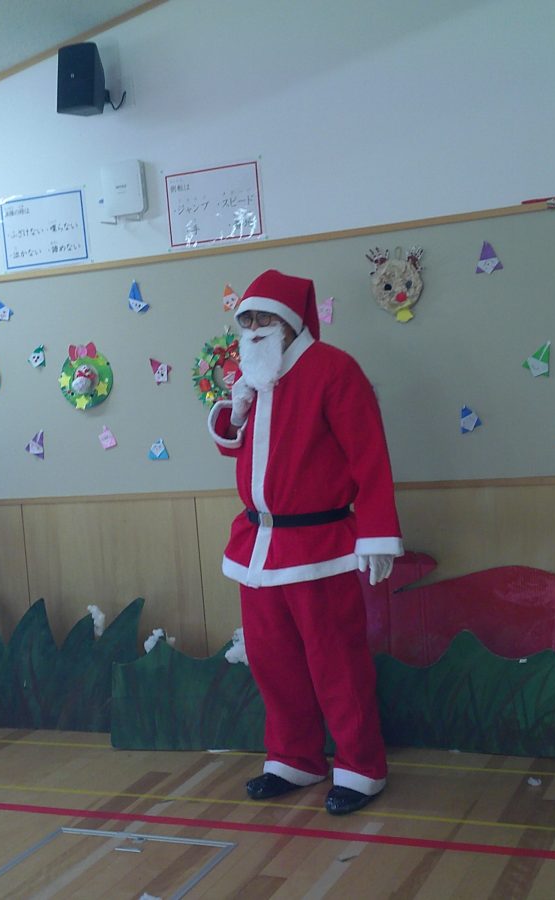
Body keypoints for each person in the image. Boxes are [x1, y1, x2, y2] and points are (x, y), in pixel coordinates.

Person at [207, 268, 403, 816]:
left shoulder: (335, 370)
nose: (253, 330)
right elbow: (239, 448)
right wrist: (235, 411)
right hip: (257, 545)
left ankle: (361, 766)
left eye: (264, 320)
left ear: (291, 323)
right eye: (246, 321)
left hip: (320, 547)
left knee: (336, 662)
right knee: (273, 661)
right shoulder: (253, 377)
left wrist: (377, 534)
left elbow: (369, 455)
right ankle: (293, 757)